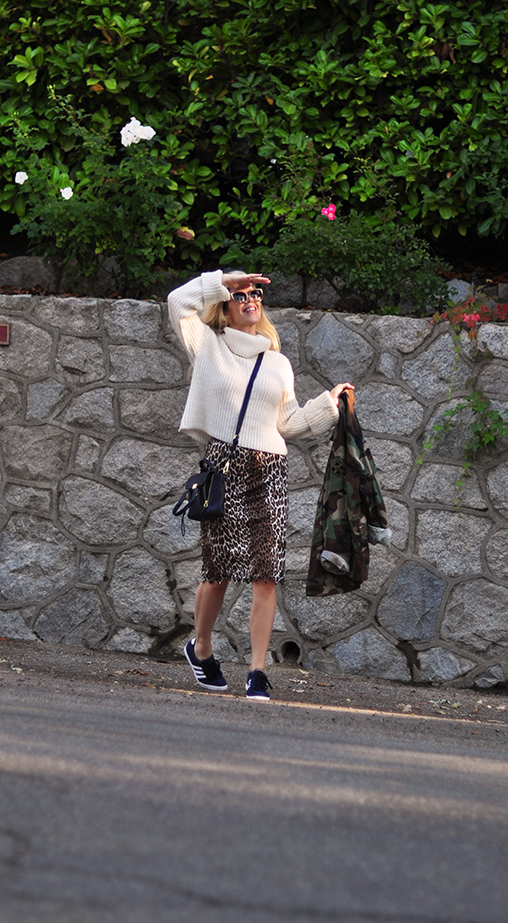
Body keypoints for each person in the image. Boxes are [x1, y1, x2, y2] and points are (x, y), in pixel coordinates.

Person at [168, 270, 354, 701]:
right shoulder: (208, 346)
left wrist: (329, 403)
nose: (250, 298)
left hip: (269, 470)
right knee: (217, 573)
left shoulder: (278, 362)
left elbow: (287, 423)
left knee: (266, 574)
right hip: (224, 469)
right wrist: (227, 278)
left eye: (254, 294)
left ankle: (256, 671)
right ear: (226, 306)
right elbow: (178, 302)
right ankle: (201, 647)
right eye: (240, 295)